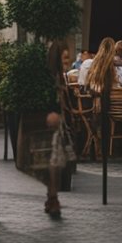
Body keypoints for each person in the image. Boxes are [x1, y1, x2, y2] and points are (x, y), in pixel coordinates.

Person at [44, 41, 75, 218]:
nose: (68, 60)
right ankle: (53, 198)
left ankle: (51, 197)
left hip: (58, 121)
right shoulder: (52, 78)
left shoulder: (59, 76)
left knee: (56, 162)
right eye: (64, 57)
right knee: (54, 163)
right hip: (53, 121)